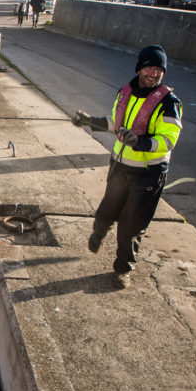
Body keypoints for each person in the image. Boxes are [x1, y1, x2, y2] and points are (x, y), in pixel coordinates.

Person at [72, 45, 182, 288]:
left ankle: (123, 268)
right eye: (150, 67)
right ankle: (98, 233)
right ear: (139, 68)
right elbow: (115, 122)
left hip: (148, 174)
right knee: (106, 211)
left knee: (131, 225)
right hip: (120, 167)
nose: (154, 74)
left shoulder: (169, 103)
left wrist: (140, 142)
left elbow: (168, 140)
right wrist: (89, 121)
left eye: (159, 69)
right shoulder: (125, 94)